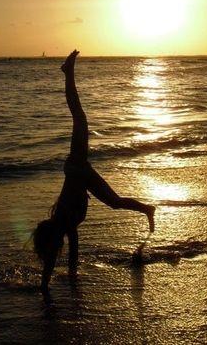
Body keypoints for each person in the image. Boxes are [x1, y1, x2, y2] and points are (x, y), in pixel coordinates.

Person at [33, 50, 155, 293]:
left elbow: (70, 253)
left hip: (78, 169)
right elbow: (70, 253)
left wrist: (66, 279)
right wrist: (56, 281)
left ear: (53, 238)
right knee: (116, 202)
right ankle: (146, 209)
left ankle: (68, 72)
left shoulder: (64, 222)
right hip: (78, 172)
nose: (57, 248)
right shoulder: (63, 225)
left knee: (79, 117)